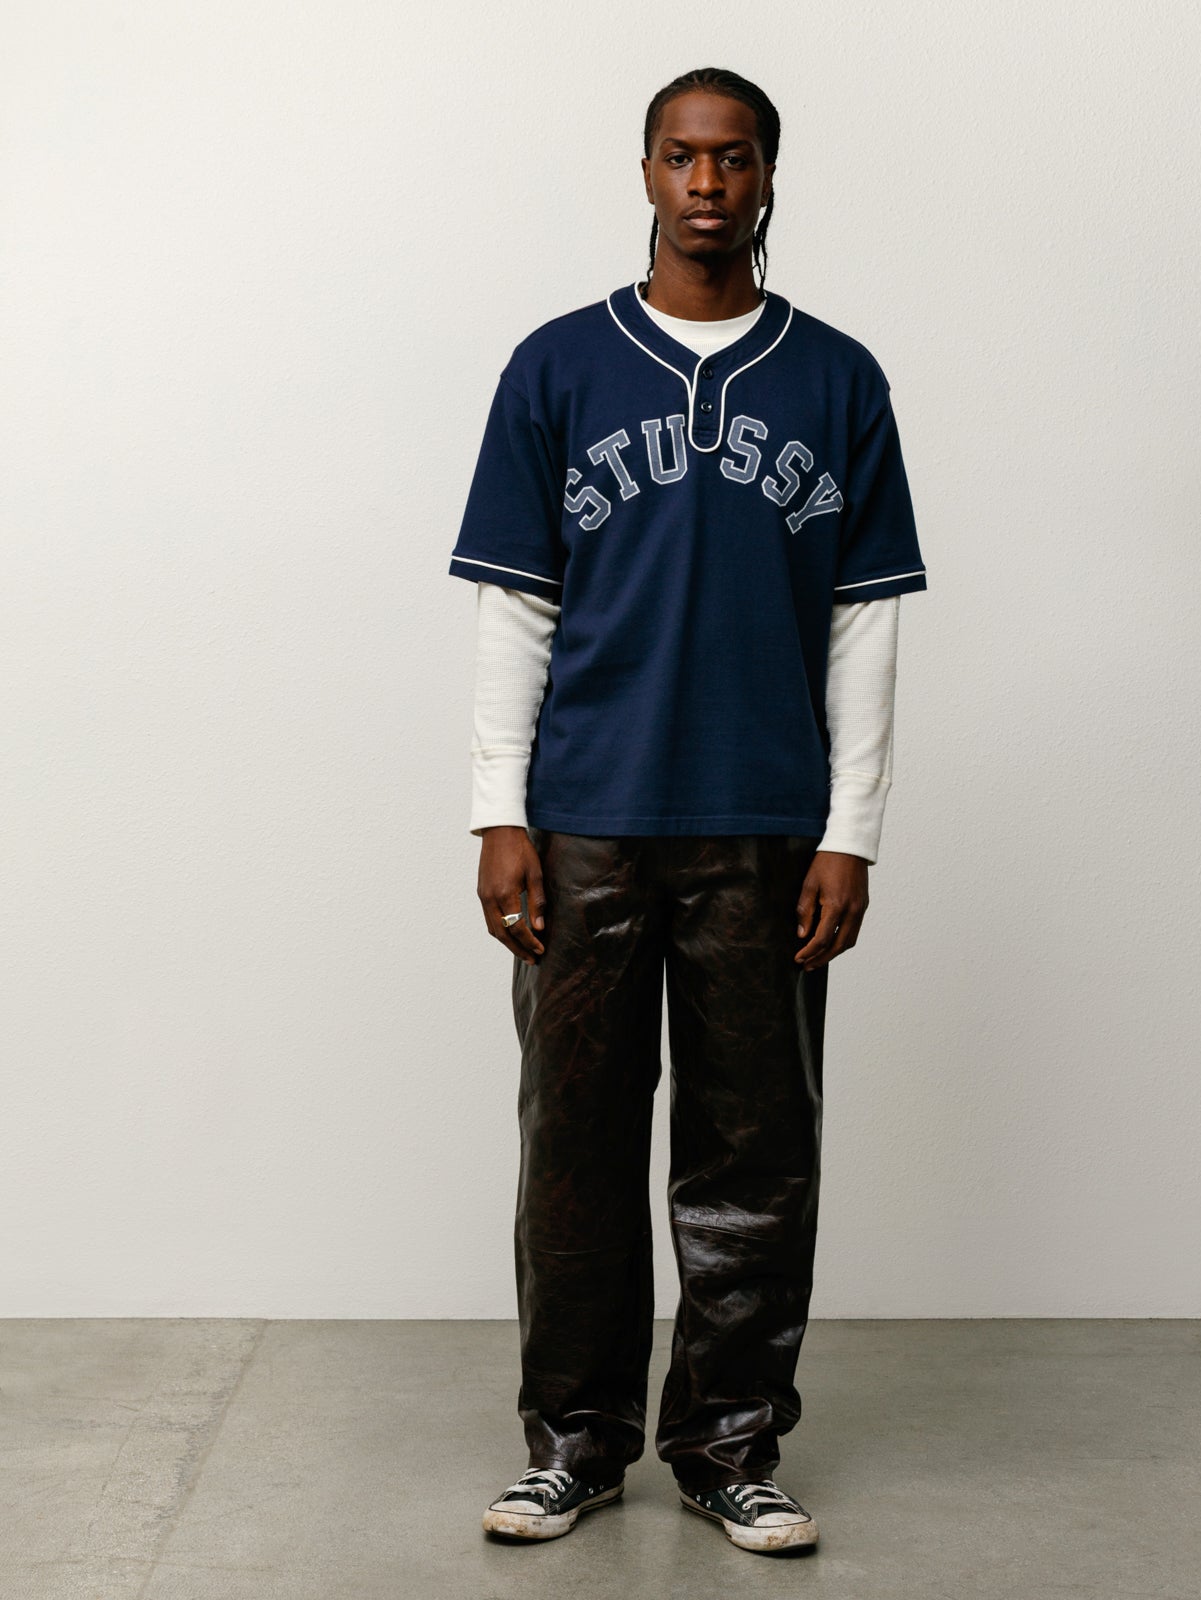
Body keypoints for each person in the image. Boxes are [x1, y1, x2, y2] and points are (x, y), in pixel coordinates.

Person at [448, 66, 927, 1555]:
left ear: (769, 174)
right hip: (586, 817)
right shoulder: (557, 367)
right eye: (680, 155)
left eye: (733, 157)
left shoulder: (836, 379)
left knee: (753, 1156)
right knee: (576, 1149)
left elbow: (864, 620)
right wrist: (499, 812)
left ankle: (730, 1448)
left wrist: (851, 831)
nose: (707, 182)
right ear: (646, 172)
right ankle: (574, 1445)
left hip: (765, 825)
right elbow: (518, 606)